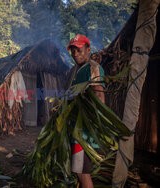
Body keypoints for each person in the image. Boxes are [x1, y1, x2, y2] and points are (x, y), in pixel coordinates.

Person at [67, 34, 105, 188]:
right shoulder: (78, 71)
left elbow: (99, 95)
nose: (75, 54)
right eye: (73, 50)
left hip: (84, 132)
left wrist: (94, 124)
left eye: (79, 50)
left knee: (82, 172)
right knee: (79, 170)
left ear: (88, 49)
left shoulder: (93, 68)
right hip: (78, 129)